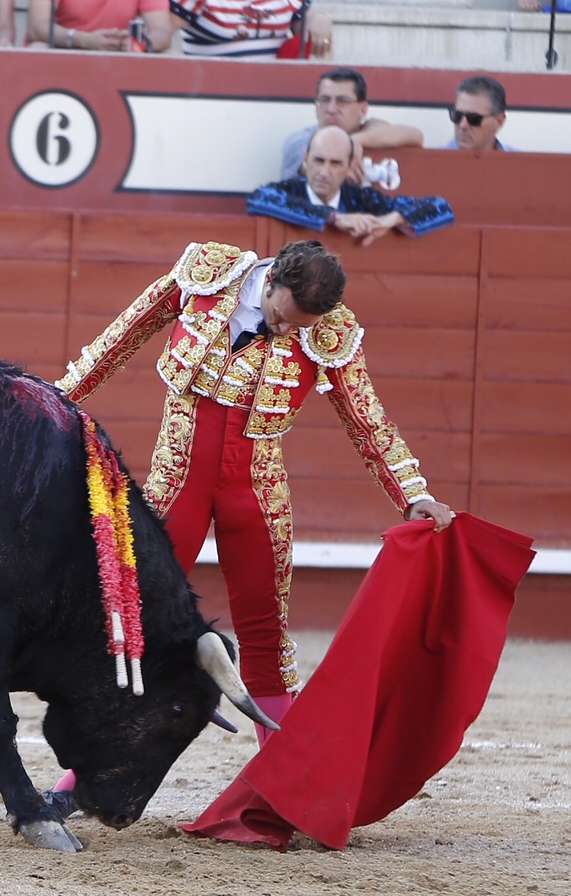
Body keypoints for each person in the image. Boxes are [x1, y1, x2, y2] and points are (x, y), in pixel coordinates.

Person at [43, 238, 455, 814]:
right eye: (284, 318)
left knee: (265, 637)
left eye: (303, 326)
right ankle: (75, 785)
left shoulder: (329, 332)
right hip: (175, 480)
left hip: (255, 492)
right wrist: (57, 400)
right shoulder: (206, 276)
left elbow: (367, 418)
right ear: (270, 282)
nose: (290, 333)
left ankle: (290, 794)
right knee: (130, 627)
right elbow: (122, 336)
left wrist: (414, 494)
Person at [250, 126, 452, 246]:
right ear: (305, 159)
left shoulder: (360, 198)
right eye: (319, 160)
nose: (324, 172)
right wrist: (334, 217)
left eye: (335, 163)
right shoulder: (289, 190)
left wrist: (391, 219)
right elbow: (258, 197)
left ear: (350, 167)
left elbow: (440, 206)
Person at [280, 68, 424, 183]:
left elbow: (415, 135)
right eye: (324, 100)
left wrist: (357, 140)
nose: (331, 109)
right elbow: (314, 171)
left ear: (363, 109)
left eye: (342, 101)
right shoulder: (299, 141)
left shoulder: (368, 130)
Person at [168, 0, 332, 59]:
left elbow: (306, 22)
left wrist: (319, 20)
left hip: (276, 93)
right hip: (213, 95)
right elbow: (160, 31)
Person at [25, 0, 170, 53]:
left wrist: (139, 45)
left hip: (119, 54)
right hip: (65, 49)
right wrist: (85, 40)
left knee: (172, 56)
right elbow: (37, 26)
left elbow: (162, 30)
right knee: (37, 49)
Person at [443, 75, 513, 152]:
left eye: (474, 118)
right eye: (457, 116)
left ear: (499, 121)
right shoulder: (434, 162)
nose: (463, 125)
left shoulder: (518, 162)